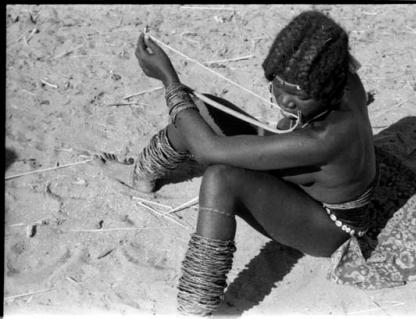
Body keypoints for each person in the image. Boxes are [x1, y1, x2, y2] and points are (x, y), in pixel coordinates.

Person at [94, 11, 377, 316]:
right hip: (311, 173)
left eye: (301, 96)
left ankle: (196, 306)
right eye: (279, 85)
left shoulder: (326, 137)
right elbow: (201, 132)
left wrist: (169, 81)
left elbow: (208, 151)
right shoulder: (341, 77)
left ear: (327, 89)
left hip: (331, 227)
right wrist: (183, 101)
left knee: (221, 178)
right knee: (199, 111)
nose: (285, 100)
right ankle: (142, 175)